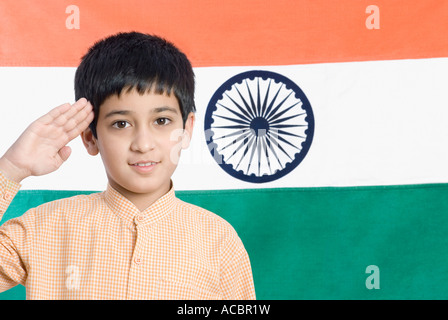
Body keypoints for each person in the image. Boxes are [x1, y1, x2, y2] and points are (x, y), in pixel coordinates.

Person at [0, 32, 256, 299]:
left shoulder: (219, 241)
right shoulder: (43, 229)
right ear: (90, 138)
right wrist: (12, 168)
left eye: (161, 121)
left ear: (187, 129)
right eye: (121, 124)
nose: (143, 144)